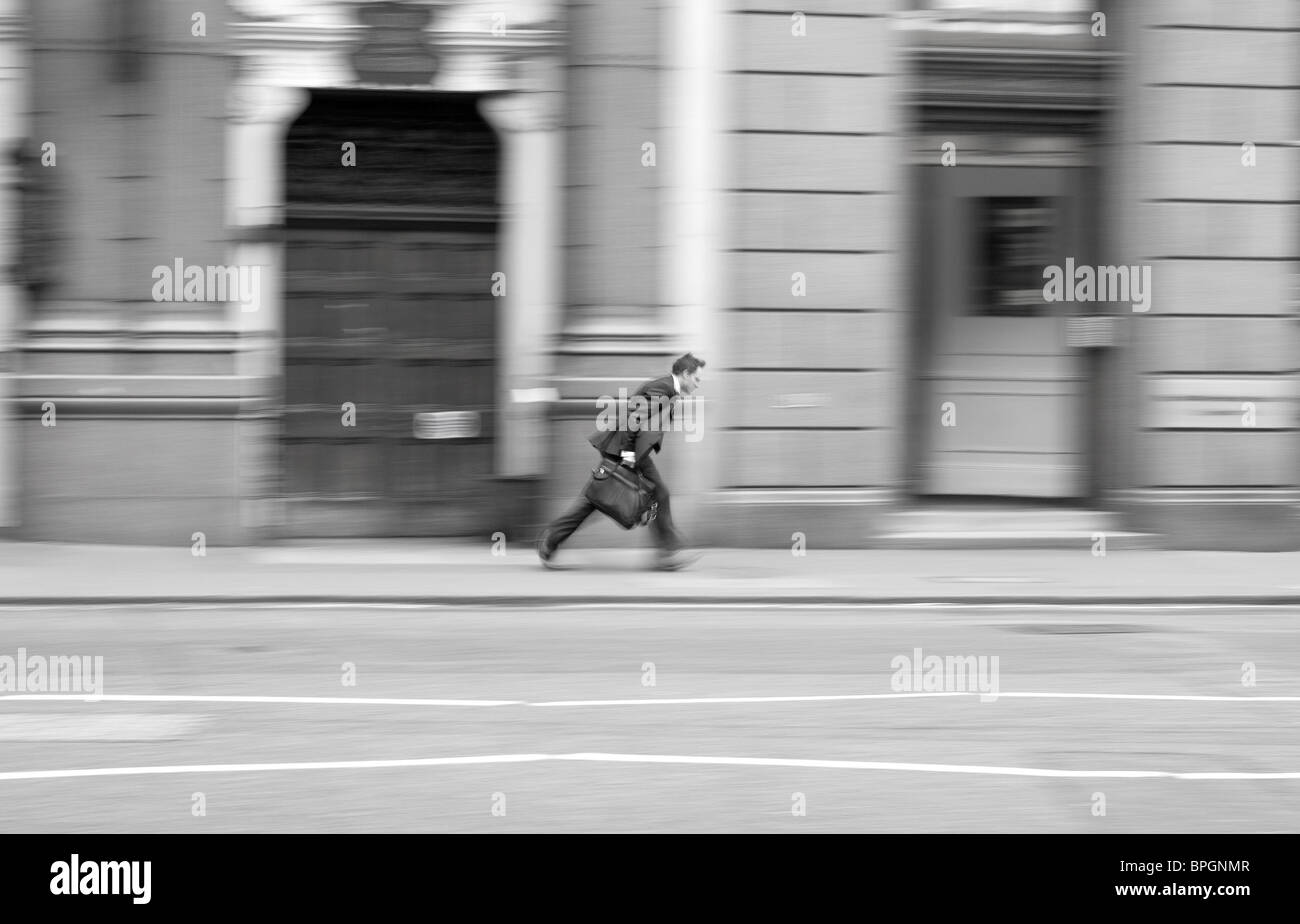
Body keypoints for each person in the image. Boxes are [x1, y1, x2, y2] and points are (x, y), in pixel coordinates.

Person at [538, 353, 705, 571]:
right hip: (625, 449)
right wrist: (627, 455)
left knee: (618, 497)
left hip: (631, 450)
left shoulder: (667, 389)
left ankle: (666, 553)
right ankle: (666, 553)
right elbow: (634, 419)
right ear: (685, 374)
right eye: (696, 379)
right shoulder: (662, 388)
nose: (697, 384)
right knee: (604, 498)